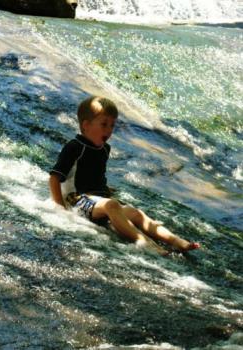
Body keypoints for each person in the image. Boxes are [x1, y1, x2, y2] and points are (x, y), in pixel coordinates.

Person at [49, 96, 200, 256]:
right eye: (104, 124)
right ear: (86, 125)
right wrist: (61, 208)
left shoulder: (105, 149)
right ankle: (143, 241)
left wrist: (104, 187)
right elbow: (54, 178)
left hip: (99, 200)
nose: (109, 130)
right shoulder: (74, 147)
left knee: (136, 213)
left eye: (112, 125)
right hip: (77, 200)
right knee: (112, 205)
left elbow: (94, 174)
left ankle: (176, 241)